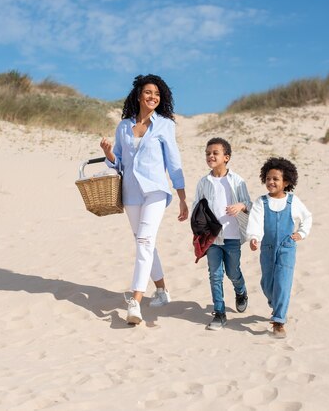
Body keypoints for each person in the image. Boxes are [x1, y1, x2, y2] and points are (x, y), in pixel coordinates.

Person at [100, 74, 188, 325]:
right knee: (143, 242)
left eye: (157, 94)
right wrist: (108, 153)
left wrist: (182, 197)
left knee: (145, 241)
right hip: (131, 192)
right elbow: (117, 162)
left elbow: (174, 163)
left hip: (156, 190)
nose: (153, 97)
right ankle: (161, 290)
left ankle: (135, 301)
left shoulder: (165, 125)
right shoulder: (124, 126)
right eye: (149, 93)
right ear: (139, 95)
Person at [246, 157, 312, 338]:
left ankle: (279, 321)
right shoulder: (261, 202)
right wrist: (254, 237)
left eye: (276, 179)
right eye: (268, 178)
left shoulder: (293, 201)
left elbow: (307, 217)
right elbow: (256, 221)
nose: (271, 182)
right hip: (266, 247)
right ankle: (275, 302)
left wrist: (302, 232)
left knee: (283, 283)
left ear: (286, 182)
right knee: (267, 284)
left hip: (287, 247)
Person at [192, 137, 252, 330]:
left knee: (233, 272)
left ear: (226, 157)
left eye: (215, 153)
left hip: (233, 236)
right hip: (212, 238)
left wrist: (241, 205)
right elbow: (196, 207)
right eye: (208, 153)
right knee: (215, 275)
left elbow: (249, 204)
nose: (210, 156)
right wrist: (200, 228)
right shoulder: (204, 182)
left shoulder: (237, 181)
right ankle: (219, 313)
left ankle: (240, 290)